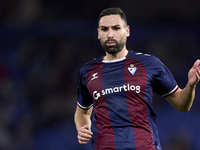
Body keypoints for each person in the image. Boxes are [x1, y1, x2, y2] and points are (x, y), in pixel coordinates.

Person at [74, 7, 200, 150]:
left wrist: (190, 86)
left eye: (116, 28)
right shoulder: (87, 71)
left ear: (127, 31)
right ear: (98, 33)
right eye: (104, 29)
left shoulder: (150, 64)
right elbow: (82, 111)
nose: (110, 34)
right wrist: (82, 127)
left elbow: (182, 104)